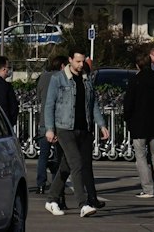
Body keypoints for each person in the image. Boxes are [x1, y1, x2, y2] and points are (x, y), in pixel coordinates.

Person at [42, 48, 108, 217]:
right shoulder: (58, 78)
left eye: (83, 61)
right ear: (70, 60)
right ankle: (83, 204)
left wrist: (101, 124)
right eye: (78, 61)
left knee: (66, 166)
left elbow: (92, 105)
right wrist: (50, 129)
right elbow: (49, 105)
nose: (81, 65)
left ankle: (51, 199)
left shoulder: (87, 79)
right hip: (64, 127)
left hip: (83, 128)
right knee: (77, 163)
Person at [124, 52, 154, 198]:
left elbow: (128, 103)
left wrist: (127, 119)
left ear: (137, 65)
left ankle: (148, 189)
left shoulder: (135, 80)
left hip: (138, 123)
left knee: (141, 157)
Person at [33, 54, 65, 194]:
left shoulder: (43, 77)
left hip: (44, 121)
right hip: (59, 121)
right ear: (63, 66)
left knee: (43, 155)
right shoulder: (62, 78)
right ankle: (57, 185)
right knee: (59, 155)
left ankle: (40, 184)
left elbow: (39, 97)